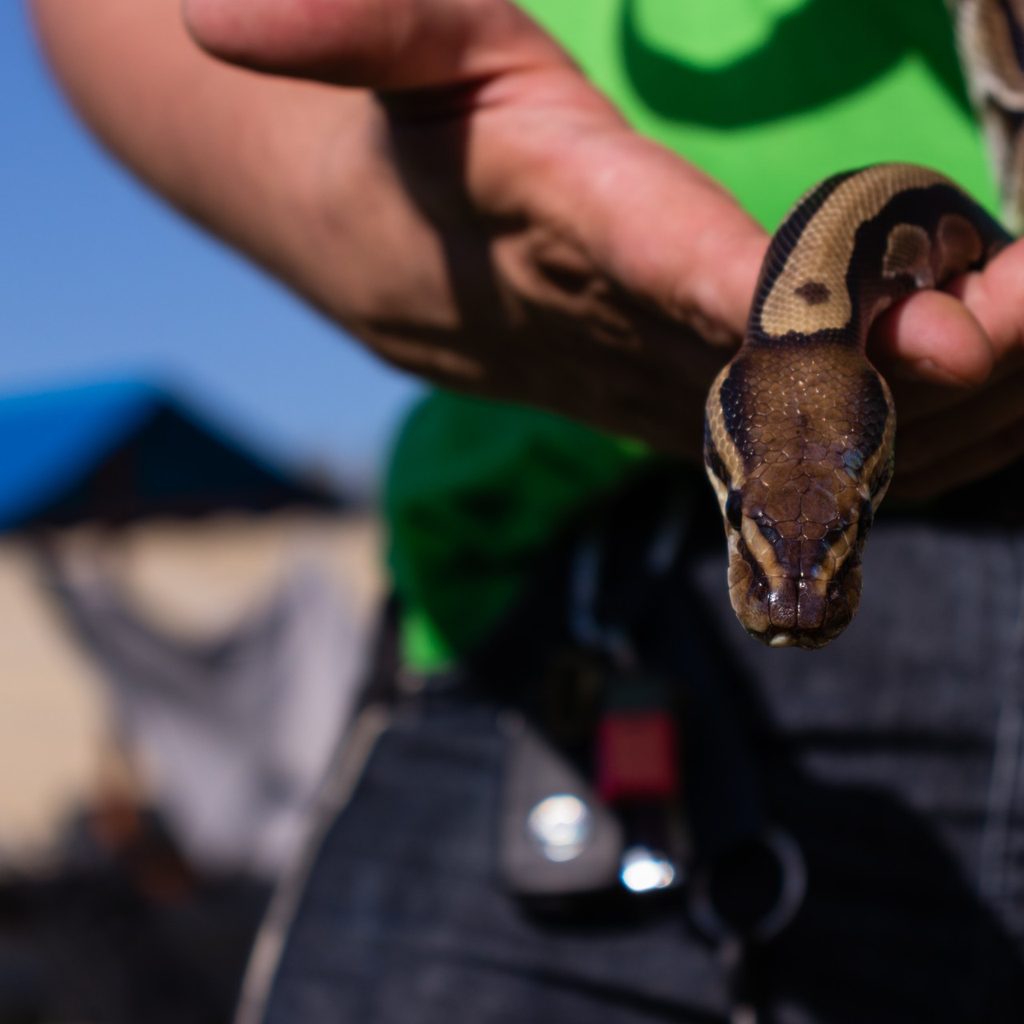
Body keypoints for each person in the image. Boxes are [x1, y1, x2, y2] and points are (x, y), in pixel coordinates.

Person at [30, 1, 1024, 1021]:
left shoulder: (790, 419)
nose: (794, 602)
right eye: (752, 522)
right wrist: (351, 202)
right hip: (576, 595)